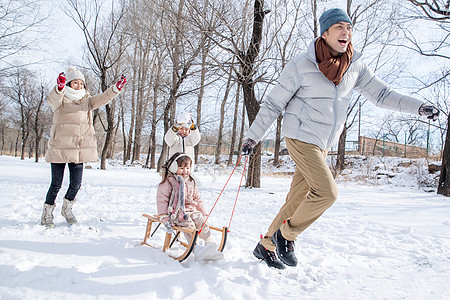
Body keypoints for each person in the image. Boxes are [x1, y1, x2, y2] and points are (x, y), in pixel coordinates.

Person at [241, 8, 440, 270]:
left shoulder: (355, 66)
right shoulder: (301, 64)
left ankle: (266, 245)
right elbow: (274, 104)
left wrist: (418, 106)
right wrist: (253, 137)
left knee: (297, 199)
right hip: (300, 137)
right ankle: (285, 236)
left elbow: (382, 94)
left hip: (323, 144)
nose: (345, 32)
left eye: (349, 28)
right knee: (326, 192)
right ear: (324, 33)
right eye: (339, 27)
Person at [41, 66, 127, 228]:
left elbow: (103, 98)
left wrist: (116, 89)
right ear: (68, 84)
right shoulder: (61, 99)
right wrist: (59, 88)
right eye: (75, 82)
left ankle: (67, 209)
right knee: (56, 184)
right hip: (60, 148)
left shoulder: (87, 101)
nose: (79, 85)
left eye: (81, 83)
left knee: (76, 184)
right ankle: (47, 213)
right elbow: (52, 101)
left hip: (79, 149)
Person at [156, 152, 223, 261]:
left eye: (187, 168)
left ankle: (209, 244)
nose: (184, 171)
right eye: (181, 168)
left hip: (192, 210)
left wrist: (203, 212)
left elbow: (197, 199)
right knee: (189, 226)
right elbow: (161, 199)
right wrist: (165, 217)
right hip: (176, 213)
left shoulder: (191, 181)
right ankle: (196, 248)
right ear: (174, 167)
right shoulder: (169, 181)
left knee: (202, 222)